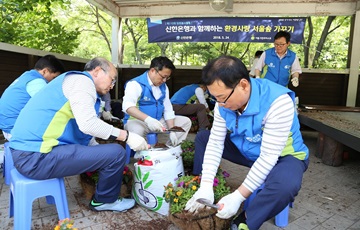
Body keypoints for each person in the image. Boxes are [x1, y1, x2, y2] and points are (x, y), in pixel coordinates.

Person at [185, 56, 309, 230]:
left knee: (285, 185)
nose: (219, 104)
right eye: (215, 99)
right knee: (204, 138)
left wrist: (238, 197)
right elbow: (215, 143)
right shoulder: (223, 105)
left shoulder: (278, 102)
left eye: (222, 98)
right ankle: (200, 187)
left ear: (243, 85)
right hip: (248, 150)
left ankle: (244, 221)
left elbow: (268, 157)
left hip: (283, 157)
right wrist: (206, 185)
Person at [9, 57, 149, 212]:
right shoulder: (82, 82)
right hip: (35, 158)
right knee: (117, 152)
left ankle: (106, 194)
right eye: (112, 79)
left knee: (110, 153)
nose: (112, 85)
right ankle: (105, 201)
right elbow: (88, 124)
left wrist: (101, 153)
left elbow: (81, 129)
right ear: (97, 71)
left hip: (27, 153)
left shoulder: (72, 81)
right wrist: (127, 136)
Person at [122, 56, 191, 146]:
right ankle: (144, 156)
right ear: (153, 71)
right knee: (137, 130)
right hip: (138, 121)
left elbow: (168, 110)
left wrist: (172, 130)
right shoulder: (135, 84)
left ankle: (170, 150)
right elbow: (128, 107)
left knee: (185, 122)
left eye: (167, 78)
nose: (164, 80)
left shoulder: (164, 87)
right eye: (163, 77)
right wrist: (148, 120)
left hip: (158, 122)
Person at [0, 55, 65, 140]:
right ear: (45, 71)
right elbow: (51, 104)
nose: (54, 81)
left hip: (8, 127)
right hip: (15, 131)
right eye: (54, 77)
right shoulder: (37, 82)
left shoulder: (26, 76)